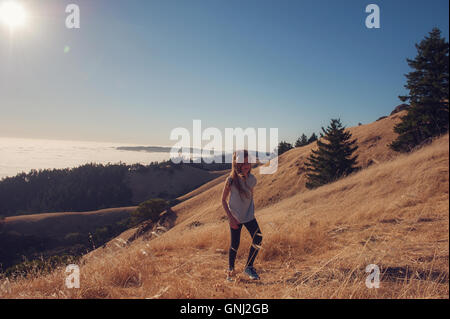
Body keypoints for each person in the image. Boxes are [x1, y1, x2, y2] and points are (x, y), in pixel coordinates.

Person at [221, 149, 263, 281]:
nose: (246, 165)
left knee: (258, 238)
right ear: (237, 164)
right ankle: (230, 271)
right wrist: (231, 218)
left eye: (248, 162)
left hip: (249, 216)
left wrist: (250, 210)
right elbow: (223, 200)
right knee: (235, 244)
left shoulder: (252, 179)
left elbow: (250, 195)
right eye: (243, 163)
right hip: (236, 218)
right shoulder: (231, 180)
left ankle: (249, 267)